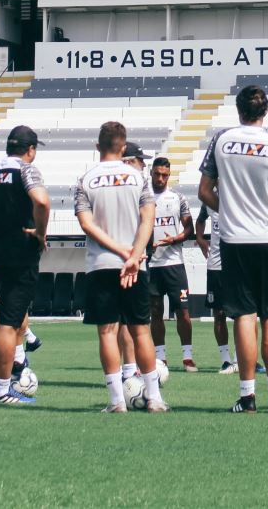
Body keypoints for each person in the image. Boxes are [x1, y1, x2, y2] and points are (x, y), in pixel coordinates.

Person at [198, 84, 268, 413]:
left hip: (234, 239)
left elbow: (204, 191)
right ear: (265, 111)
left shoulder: (221, 140)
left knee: (243, 316)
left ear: (238, 110)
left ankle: (247, 396)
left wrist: (228, 211)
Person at [76, 122, 164, 413]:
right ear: (123, 147)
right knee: (141, 331)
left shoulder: (85, 179)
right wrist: (134, 255)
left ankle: (116, 402)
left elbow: (87, 224)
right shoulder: (138, 177)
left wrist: (119, 251)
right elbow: (148, 219)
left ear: (98, 146)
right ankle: (155, 398)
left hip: (102, 264)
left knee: (107, 332)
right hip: (135, 265)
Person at [0, 124, 51, 405]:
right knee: (9, 323)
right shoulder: (26, 170)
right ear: (30, 150)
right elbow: (42, 202)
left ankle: (6, 382)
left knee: (7, 317)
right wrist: (40, 233)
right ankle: (2, 390)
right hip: (21, 250)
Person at [145, 156, 198, 373]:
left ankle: (187, 357)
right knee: (155, 312)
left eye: (164, 175)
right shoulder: (143, 197)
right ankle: (160, 358)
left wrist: (174, 239)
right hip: (151, 264)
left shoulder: (178, 198)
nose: (160, 178)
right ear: (151, 173)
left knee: (183, 312)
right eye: (157, 174)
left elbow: (189, 230)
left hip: (174, 263)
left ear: (169, 175)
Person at [193, 203, 235, 373]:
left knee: (243, 314)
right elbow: (200, 219)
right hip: (215, 267)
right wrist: (199, 238)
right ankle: (226, 361)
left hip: (237, 266)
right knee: (219, 314)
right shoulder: (209, 201)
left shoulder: (237, 194)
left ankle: (243, 360)